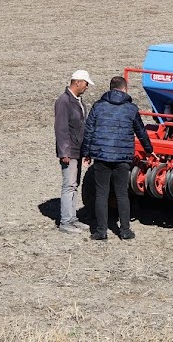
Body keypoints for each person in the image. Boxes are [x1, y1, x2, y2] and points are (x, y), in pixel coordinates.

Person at [82, 76, 156, 241]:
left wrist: (86, 153)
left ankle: (101, 231)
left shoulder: (98, 107)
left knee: (101, 193)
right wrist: (149, 150)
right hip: (122, 158)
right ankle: (125, 231)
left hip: (101, 156)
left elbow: (88, 130)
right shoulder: (131, 109)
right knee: (122, 193)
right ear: (125, 89)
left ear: (110, 88)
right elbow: (141, 132)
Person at [54, 69, 95, 234]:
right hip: (69, 151)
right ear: (77, 82)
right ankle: (65, 222)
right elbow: (61, 129)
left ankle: (72, 218)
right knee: (69, 185)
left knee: (74, 185)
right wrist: (64, 152)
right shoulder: (63, 101)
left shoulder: (78, 101)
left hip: (77, 150)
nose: (87, 87)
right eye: (86, 83)